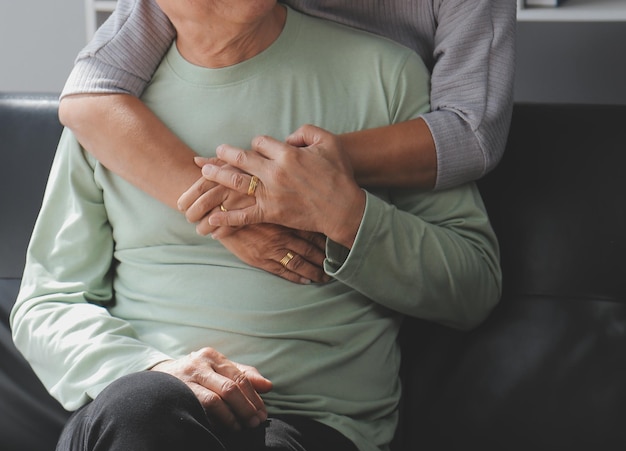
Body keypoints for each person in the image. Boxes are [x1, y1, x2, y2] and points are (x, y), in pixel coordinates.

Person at [11, 1, 502, 451]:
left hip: (308, 437)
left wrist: (347, 215)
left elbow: (473, 286)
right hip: (129, 427)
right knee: (144, 410)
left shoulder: (386, 74)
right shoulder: (109, 111)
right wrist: (152, 369)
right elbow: (46, 304)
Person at [59, 0, 516, 285]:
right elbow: (89, 96)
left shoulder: (391, 75)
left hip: (387, 155)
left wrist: (296, 175)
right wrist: (232, 211)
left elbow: (473, 134)